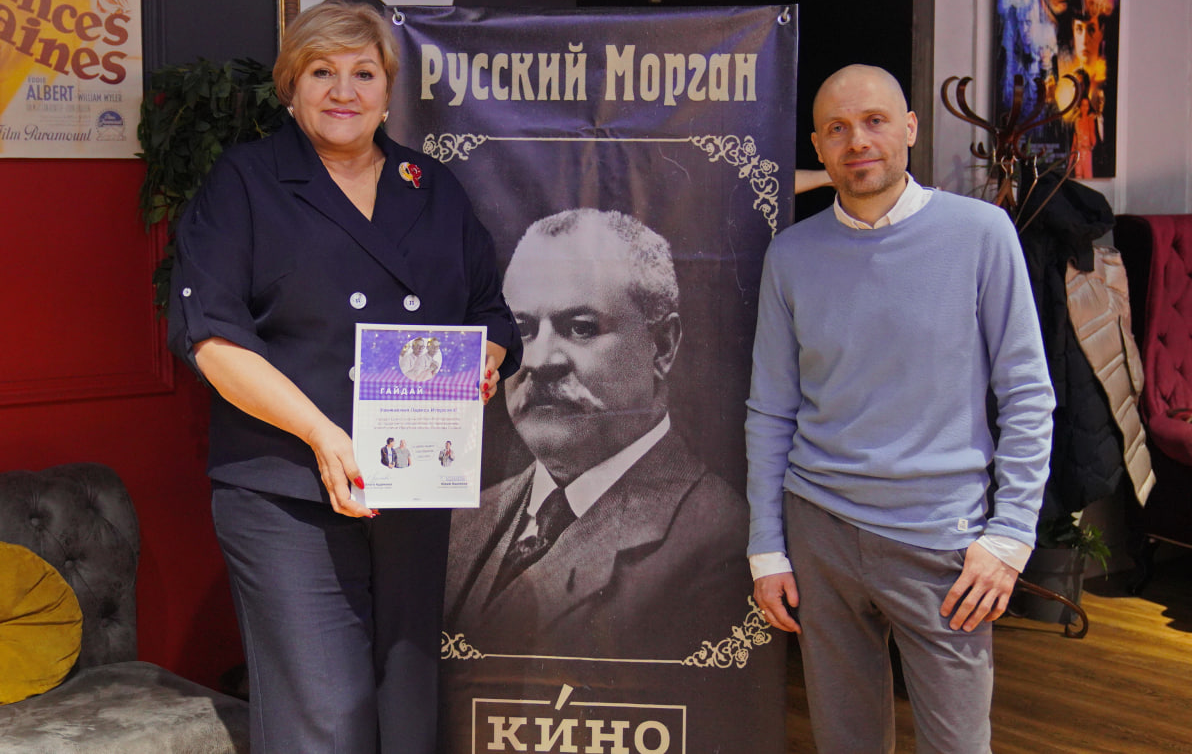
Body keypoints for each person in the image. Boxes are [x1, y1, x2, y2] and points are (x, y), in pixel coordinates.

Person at [167, 0, 521, 754]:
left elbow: (490, 314)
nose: (343, 91)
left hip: (411, 484)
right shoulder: (245, 183)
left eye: (363, 73)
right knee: (325, 717)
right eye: (321, 72)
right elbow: (213, 340)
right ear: (290, 88)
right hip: (287, 490)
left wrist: (481, 364)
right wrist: (323, 435)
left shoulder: (432, 187)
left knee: (405, 709)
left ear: (388, 90)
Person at [746, 64, 1054, 753]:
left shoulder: (982, 234)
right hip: (819, 531)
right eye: (837, 128)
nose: (857, 140)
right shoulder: (791, 255)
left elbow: (1028, 393)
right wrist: (767, 547)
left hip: (942, 539)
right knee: (845, 741)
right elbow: (770, 410)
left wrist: (1010, 536)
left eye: (875, 121)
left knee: (957, 744)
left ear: (910, 129)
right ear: (818, 148)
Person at [446, 208, 751, 659]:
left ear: (663, 345)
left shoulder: (717, 538)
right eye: (522, 329)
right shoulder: (462, 521)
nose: (539, 360)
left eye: (581, 328)